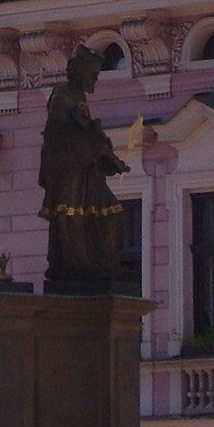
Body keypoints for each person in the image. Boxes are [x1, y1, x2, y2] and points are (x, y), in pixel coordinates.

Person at [39, 46, 130, 283]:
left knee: (113, 213)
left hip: (89, 172)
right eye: (94, 75)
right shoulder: (62, 97)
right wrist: (93, 143)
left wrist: (101, 146)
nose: (96, 80)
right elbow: (59, 135)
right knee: (72, 218)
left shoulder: (78, 98)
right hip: (70, 174)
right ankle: (77, 265)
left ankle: (102, 262)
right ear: (80, 73)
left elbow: (86, 133)